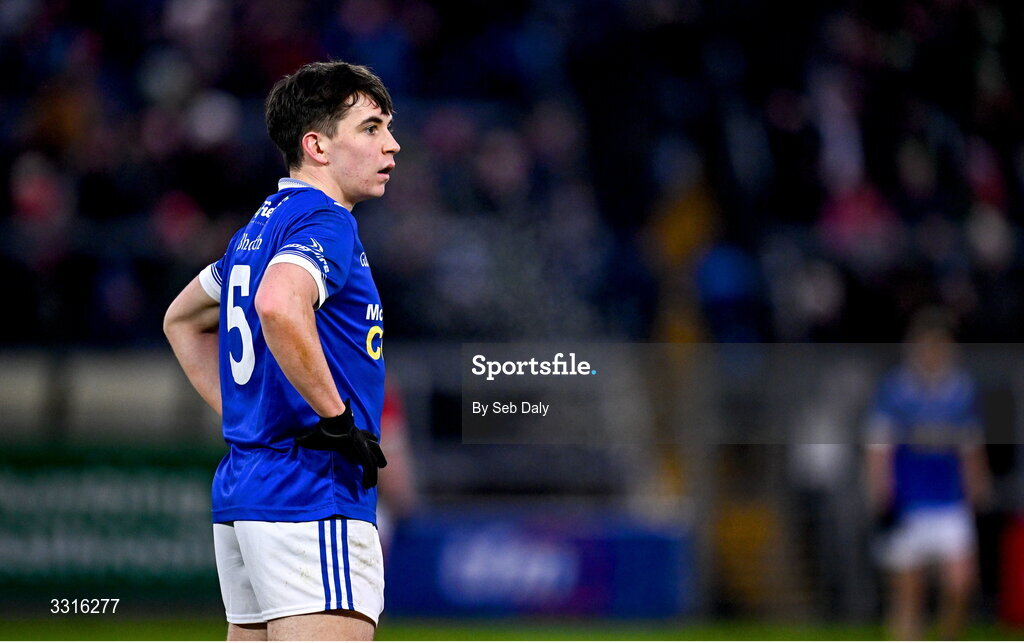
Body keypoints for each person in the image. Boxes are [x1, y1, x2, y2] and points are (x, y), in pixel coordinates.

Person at [163, 61, 400, 641]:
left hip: (249, 488)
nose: (391, 144)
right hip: (312, 491)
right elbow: (277, 303)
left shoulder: (256, 232)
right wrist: (337, 419)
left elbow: (181, 320)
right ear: (316, 145)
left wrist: (250, 417)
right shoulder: (325, 222)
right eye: (370, 128)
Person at [865, 309, 991, 640]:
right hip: (909, 502)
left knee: (961, 584)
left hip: (949, 500)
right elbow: (879, 445)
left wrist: (977, 481)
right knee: (909, 592)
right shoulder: (895, 391)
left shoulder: (961, 391)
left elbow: (970, 445)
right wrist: (880, 486)